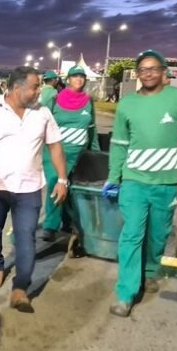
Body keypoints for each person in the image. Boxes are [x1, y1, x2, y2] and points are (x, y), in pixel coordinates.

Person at [103, 49, 177, 317]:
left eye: (153, 68)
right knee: (131, 236)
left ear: (164, 72)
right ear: (137, 75)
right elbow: (118, 144)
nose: (147, 73)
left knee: (158, 234)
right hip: (134, 182)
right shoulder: (127, 104)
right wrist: (114, 178)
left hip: (167, 182)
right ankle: (126, 293)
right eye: (142, 70)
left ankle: (149, 271)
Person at [0, 66, 67, 312]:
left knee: (26, 237)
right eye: (35, 87)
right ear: (16, 88)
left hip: (29, 188)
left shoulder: (43, 113)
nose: (39, 92)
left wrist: (63, 179)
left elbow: (54, 146)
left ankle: (20, 287)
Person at [41, 65, 100, 241]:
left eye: (82, 77)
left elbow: (92, 129)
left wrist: (95, 153)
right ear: (68, 80)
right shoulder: (55, 100)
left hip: (79, 155)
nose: (79, 80)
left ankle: (68, 223)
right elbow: (43, 125)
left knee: (73, 189)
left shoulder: (89, 101)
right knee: (55, 185)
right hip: (55, 153)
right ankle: (50, 226)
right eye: (75, 76)